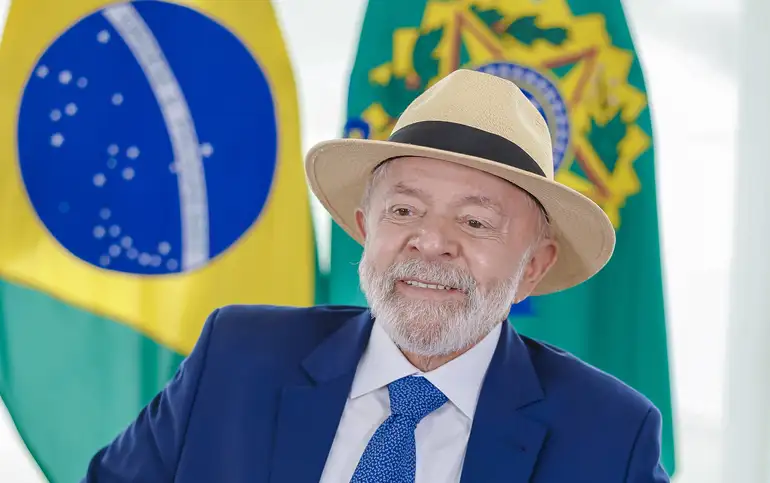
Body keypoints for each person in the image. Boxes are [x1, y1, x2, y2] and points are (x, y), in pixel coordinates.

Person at [81, 69, 669, 482]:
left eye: (475, 222)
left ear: (533, 267)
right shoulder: (236, 359)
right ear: (365, 229)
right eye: (405, 211)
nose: (431, 241)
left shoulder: (609, 436)